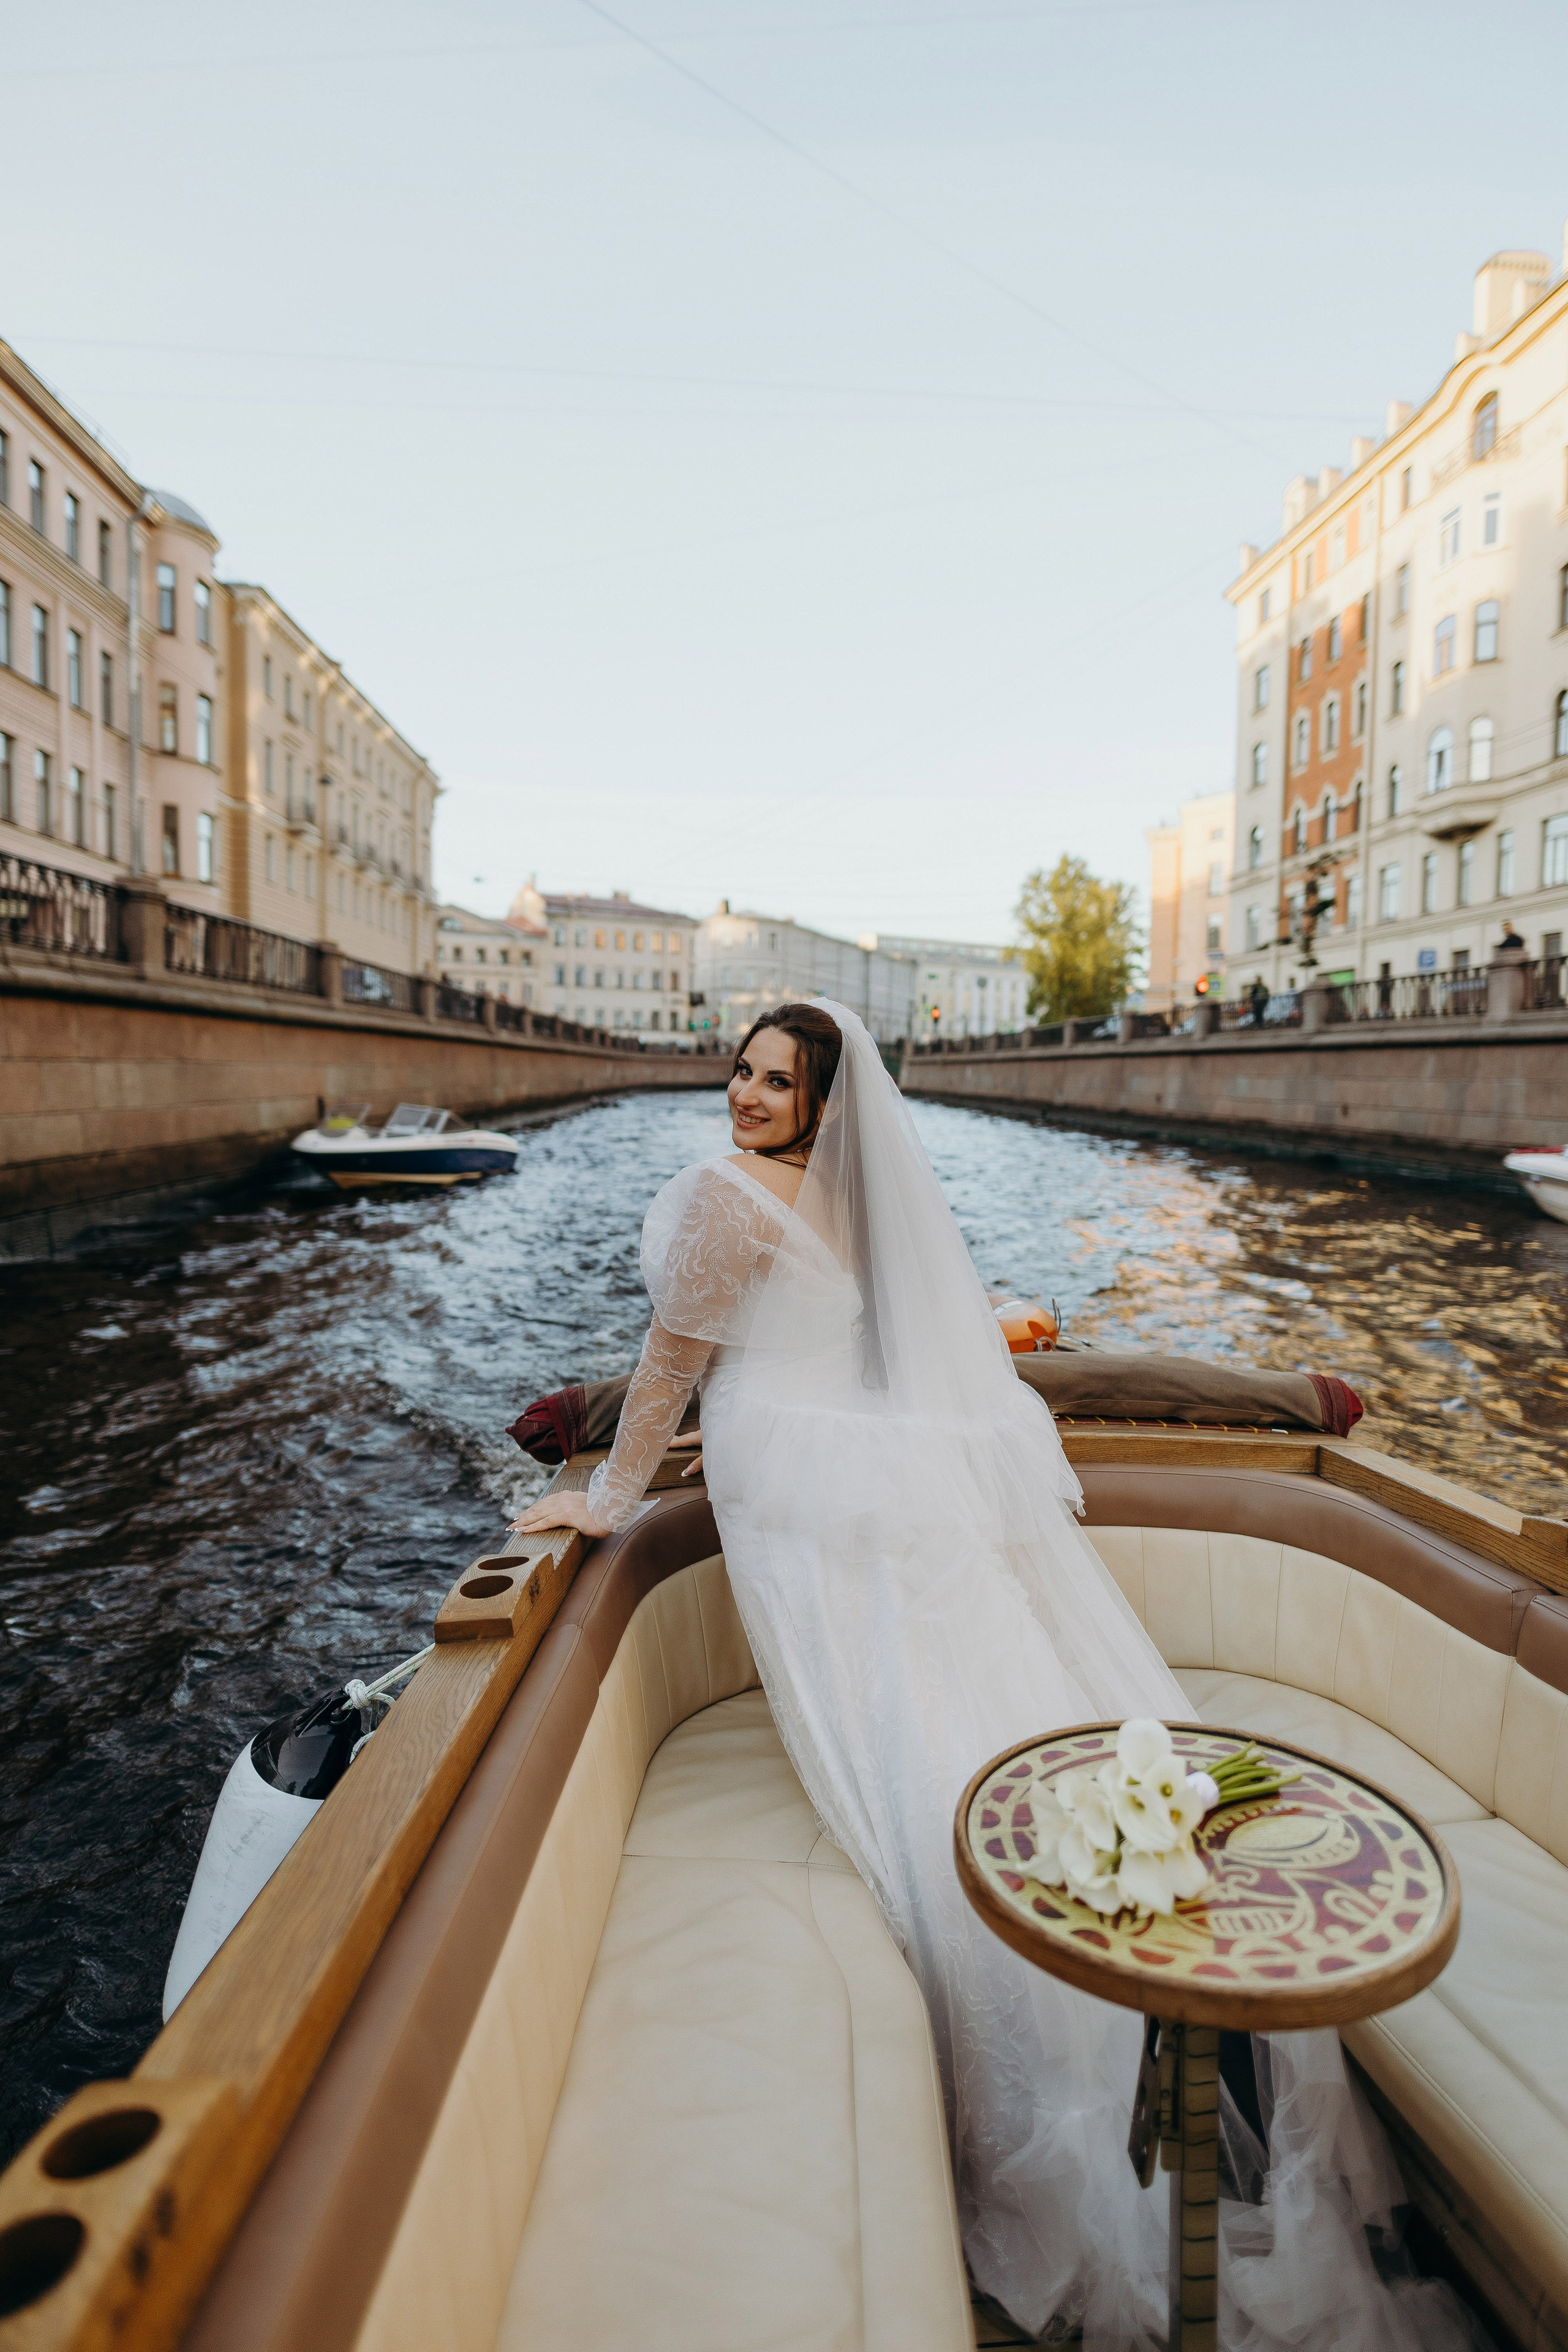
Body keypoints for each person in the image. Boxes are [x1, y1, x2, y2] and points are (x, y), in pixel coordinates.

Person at [514, 1000, 1477, 2351]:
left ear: (821, 1104)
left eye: (771, 1079)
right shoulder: (853, 1203)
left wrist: (609, 1500)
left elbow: (672, 1364)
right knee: (953, 1678)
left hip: (785, 1475)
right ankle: (1130, 2016)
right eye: (737, 1071)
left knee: (887, 1712)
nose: (740, 1094)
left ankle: (1022, 2028)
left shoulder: (723, 1199)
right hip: (862, 1461)